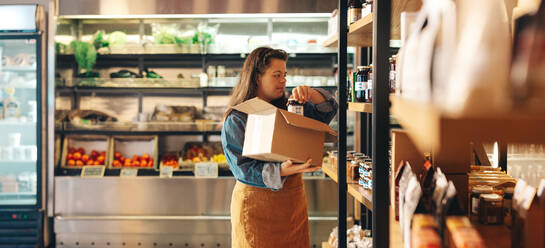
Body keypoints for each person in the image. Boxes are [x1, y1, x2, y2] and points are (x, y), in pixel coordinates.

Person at [221, 47, 338, 247]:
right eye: (276, 75)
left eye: (284, 75)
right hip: (255, 206)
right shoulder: (238, 118)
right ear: (257, 77)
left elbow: (327, 110)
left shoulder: (291, 108)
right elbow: (242, 168)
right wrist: (280, 170)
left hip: (291, 206)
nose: (283, 80)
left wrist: (311, 94)